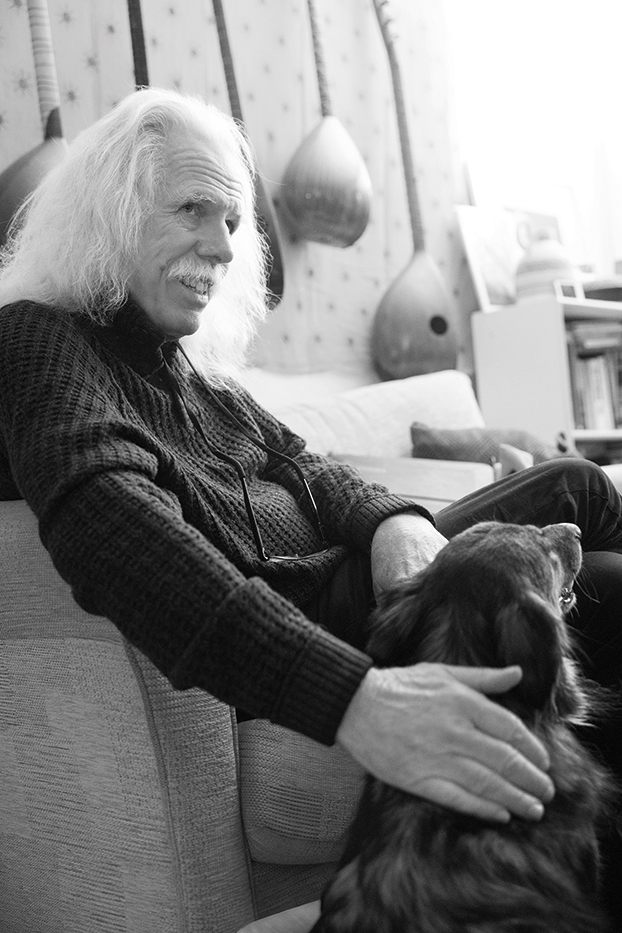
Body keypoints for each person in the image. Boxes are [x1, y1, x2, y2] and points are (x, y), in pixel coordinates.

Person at [0, 87, 621, 920]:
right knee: (603, 565)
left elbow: (310, 467)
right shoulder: (41, 338)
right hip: (325, 621)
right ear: (107, 214)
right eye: (193, 209)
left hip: (369, 583)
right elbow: (104, 520)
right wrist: (353, 698)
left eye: (233, 220)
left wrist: (392, 521)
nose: (225, 246)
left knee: (587, 505)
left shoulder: (193, 374)